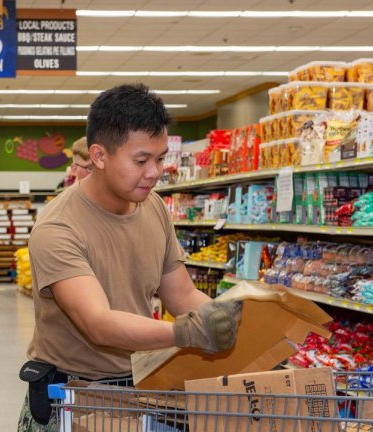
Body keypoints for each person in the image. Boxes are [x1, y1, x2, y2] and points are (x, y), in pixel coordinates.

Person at [17, 84, 242, 431]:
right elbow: (98, 323)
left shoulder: (153, 207)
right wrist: (186, 332)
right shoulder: (58, 227)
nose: (154, 172)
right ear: (99, 156)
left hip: (138, 387)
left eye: (161, 157)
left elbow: (181, 294)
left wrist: (224, 319)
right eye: (141, 160)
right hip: (73, 396)